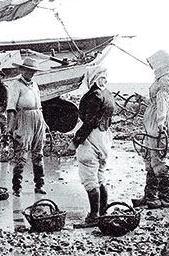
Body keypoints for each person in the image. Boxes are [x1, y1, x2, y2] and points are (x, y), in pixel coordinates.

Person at [68, 66, 115, 226]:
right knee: (101, 175)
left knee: (89, 176)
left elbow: (89, 122)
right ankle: (103, 212)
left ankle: (94, 215)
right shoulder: (108, 94)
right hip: (105, 137)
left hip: (91, 138)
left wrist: (75, 141)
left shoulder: (93, 95)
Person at [132, 50, 169, 209]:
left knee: (158, 159)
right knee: (151, 158)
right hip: (154, 121)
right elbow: (155, 101)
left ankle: (166, 197)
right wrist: (143, 100)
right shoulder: (162, 79)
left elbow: (162, 102)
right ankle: (150, 196)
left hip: (158, 123)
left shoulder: (165, 81)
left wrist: (160, 122)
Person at [6, 57, 47, 197]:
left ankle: (39, 185)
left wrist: (43, 122)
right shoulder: (16, 85)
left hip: (38, 117)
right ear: (22, 70)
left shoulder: (35, 85)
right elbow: (11, 108)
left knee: (38, 153)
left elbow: (39, 105)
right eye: (28, 70)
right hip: (23, 118)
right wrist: (9, 127)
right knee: (21, 153)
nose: (31, 73)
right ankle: (17, 187)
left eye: (33, 71)